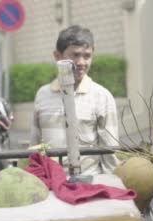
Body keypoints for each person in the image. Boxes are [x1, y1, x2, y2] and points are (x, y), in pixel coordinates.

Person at [30, 25, 119, 175]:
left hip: (89, 184)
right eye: (75, 55)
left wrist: (111, 187)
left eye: (87, 56)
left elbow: (110, 154)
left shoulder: (102, 97)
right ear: (57, 56)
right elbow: (35, 146)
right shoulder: (42, 95)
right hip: (50, 184)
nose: (81, 62)